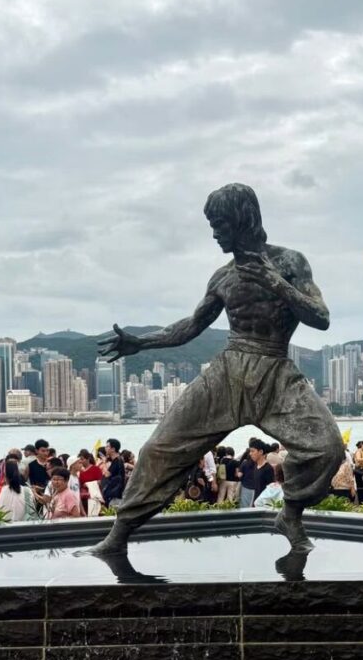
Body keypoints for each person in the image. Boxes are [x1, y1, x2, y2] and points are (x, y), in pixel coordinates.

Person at [94, 182, 344, 556]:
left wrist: (274, 282)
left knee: (326, 448)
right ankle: (119, 533)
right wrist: (141, 342)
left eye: (221, 224)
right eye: (212, 225)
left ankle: (290, 513)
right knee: (159, 450)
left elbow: (321, 318)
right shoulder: (223, 277)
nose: (214, 234)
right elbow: (189, 327)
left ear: (244, 220)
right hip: (228, 372)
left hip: (276, 372)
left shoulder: (291, 262)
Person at [77, 450, 105, 517]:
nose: (80, 461)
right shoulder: (79, 471)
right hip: (83, 498)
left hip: (93, 497)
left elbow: (100, 482)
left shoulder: (95, 469)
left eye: (82, 459)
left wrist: (88, 484)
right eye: (79, 460)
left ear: (88, 459)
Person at [102, 438, 125, 506]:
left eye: (107, 446)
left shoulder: (117, 461)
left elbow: (107, 474)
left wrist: (104, 463)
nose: (105, 448)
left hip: (115, 493)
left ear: (113, 449)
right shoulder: (119, 459)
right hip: (117, 491)